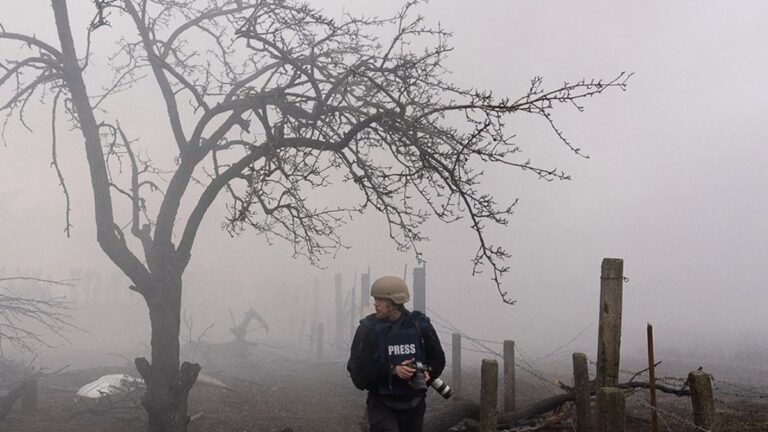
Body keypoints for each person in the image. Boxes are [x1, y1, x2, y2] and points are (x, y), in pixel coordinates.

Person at [347, 275, 446, 432]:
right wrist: (392, 371)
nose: (375, 304)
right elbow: (358, 371)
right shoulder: (367, 329)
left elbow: (438, 360)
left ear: (394, 303)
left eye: (380, 300)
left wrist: (427, 372)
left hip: (415, 403)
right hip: (381, 403)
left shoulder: (420, 325)